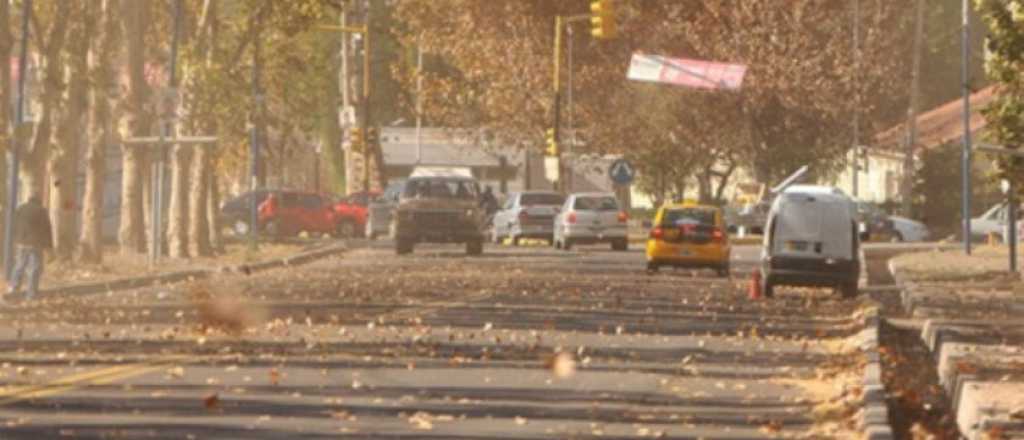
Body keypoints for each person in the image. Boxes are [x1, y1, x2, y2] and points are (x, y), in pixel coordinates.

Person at [6, 195, 53, 302]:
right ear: (39, 201)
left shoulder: (21, 208)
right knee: (35, 268)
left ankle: (13, 287)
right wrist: (49, 246)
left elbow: (14, 224)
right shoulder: (41, 211)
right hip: (35, 243)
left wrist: (15, 238)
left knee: (19, 265)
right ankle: (31, 293)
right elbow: (47, 228)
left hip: (21, 242)